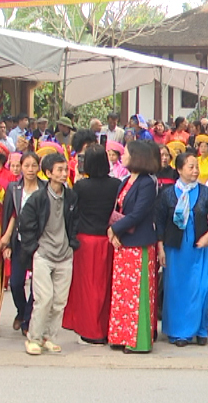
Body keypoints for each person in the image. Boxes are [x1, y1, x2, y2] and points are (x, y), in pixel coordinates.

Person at [157, 152, 208, 346]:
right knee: (176, 290)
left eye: (196, 167)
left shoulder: (205, 192)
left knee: (201, 290)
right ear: (179, 169)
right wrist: (160, 248)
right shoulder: (167, 193)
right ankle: (179, 333)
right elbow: (159, 223)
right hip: (175, 249)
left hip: (198, 248)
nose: (195, 171)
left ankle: (200, 328)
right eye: (190, 167)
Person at [19, 152, 78, 356]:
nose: (64, 174)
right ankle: (34, 338)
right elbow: (25, 225)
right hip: (43, 254)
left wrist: (72, 245)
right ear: (48, 173)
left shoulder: (70, 196)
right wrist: (33, 248)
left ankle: (49, 337)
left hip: (65, 254)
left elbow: (74, 222)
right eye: (59, 170)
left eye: (65, 169)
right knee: (44, 299)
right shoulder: (37, 198)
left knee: (60, 301)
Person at [63, 144, 120, 345]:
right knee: (106, 286)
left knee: (87, 287)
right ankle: (106, 328)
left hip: (85, 241)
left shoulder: (80, 187)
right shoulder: (116, 184)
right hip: (109, 240)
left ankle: (89, 330)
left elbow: (71, 212)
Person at [106, 140, 159, 353]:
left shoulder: (146, 183)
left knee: (138, 293)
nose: (123, 156)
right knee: (123, 293)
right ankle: (121, 335)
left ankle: (138, 340)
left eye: (126, 153)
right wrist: (113, 231)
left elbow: (138, 214)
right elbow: (116, 208)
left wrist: (115, 230)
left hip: (139, 242)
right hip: (123, 242)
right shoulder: (126, 180)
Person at [1, 151, 42, 334]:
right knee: (16, 283)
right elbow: (9, 215)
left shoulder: (44, 188)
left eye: (34, 165)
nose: (30, 170)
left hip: (39, 243)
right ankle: (21, 310)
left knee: (36, 285)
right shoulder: (13, 188)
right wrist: (7, 243)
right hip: (18, 242)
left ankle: (27, 319)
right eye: (27, 165)